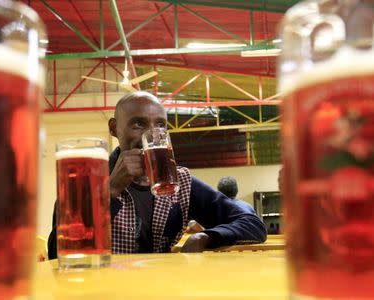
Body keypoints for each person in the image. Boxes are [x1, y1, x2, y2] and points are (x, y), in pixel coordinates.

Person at [47, 91, 266, 257]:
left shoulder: (180, 182)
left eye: (160, 125)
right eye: (138, 124)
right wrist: (111, 190)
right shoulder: (85, 180)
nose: (151, 134)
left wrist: (205, 237)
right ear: (114, 128)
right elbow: (57, 252)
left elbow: (251, 223)